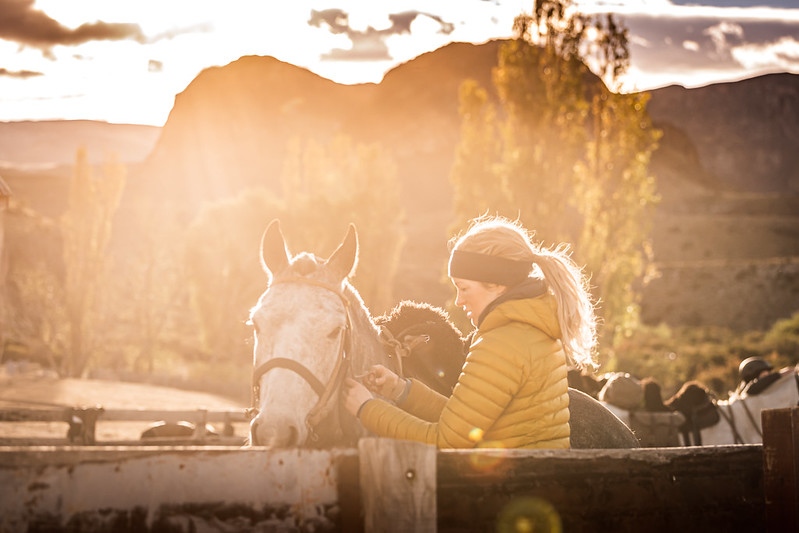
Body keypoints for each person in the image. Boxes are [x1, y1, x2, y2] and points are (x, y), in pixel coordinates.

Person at [342, 214, 598, 449]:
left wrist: (367, 408)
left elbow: (447, 440)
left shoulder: (501, 344)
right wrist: (400, 390)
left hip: (510, 488)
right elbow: (466, 422)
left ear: (496, 284)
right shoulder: (531, 331)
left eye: (464, 289)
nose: (458, 301)